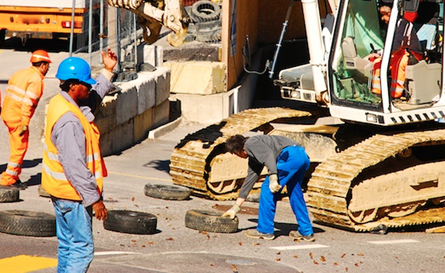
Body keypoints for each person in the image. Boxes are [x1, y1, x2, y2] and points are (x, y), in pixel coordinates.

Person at [41, 49, 117, 273]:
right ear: (73, 86)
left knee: (67, 246)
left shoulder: (61, 102)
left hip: (61, 193)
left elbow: (91, 100)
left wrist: (108, 71)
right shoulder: (70, 122)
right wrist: (95, 200)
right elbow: (75, 167)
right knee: (82, 249)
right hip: (73, 195)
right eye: (86, 84)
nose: (90, 88)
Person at [222, 134, 314, 241]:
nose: (237, 156)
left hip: (289, 157)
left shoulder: (250, 143)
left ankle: (265, 230)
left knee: (267, 189)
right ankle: (306, 231)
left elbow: (268, 155)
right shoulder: (254, 155)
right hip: (302, 156)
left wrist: (273, 177)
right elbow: (249, 182)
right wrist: (234, 209)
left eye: (235, 153)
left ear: (239, 150)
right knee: (295, 192)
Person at [0, 50, 51, 189]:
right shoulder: (36, 80)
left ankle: (14, 176)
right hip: (18, 118)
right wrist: (24, 122)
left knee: (15, 146)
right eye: (48, 66)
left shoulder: (20, 73)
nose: (48, 69)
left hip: (7, 115)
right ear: (42, 65)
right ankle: (7, 179)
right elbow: (28, 103)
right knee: (19, 149)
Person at [371, 6, 423, 98]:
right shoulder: (392, 26)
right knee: (377, 62)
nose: (382, 18)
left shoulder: (403, 24)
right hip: (398, 53)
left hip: (412, 54)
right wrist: (379, 54)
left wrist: (382, 53)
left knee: (399, 63)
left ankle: (395, 94)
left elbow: (397, 45)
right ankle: (377, 92)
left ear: (391, 14)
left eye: (384, 15)